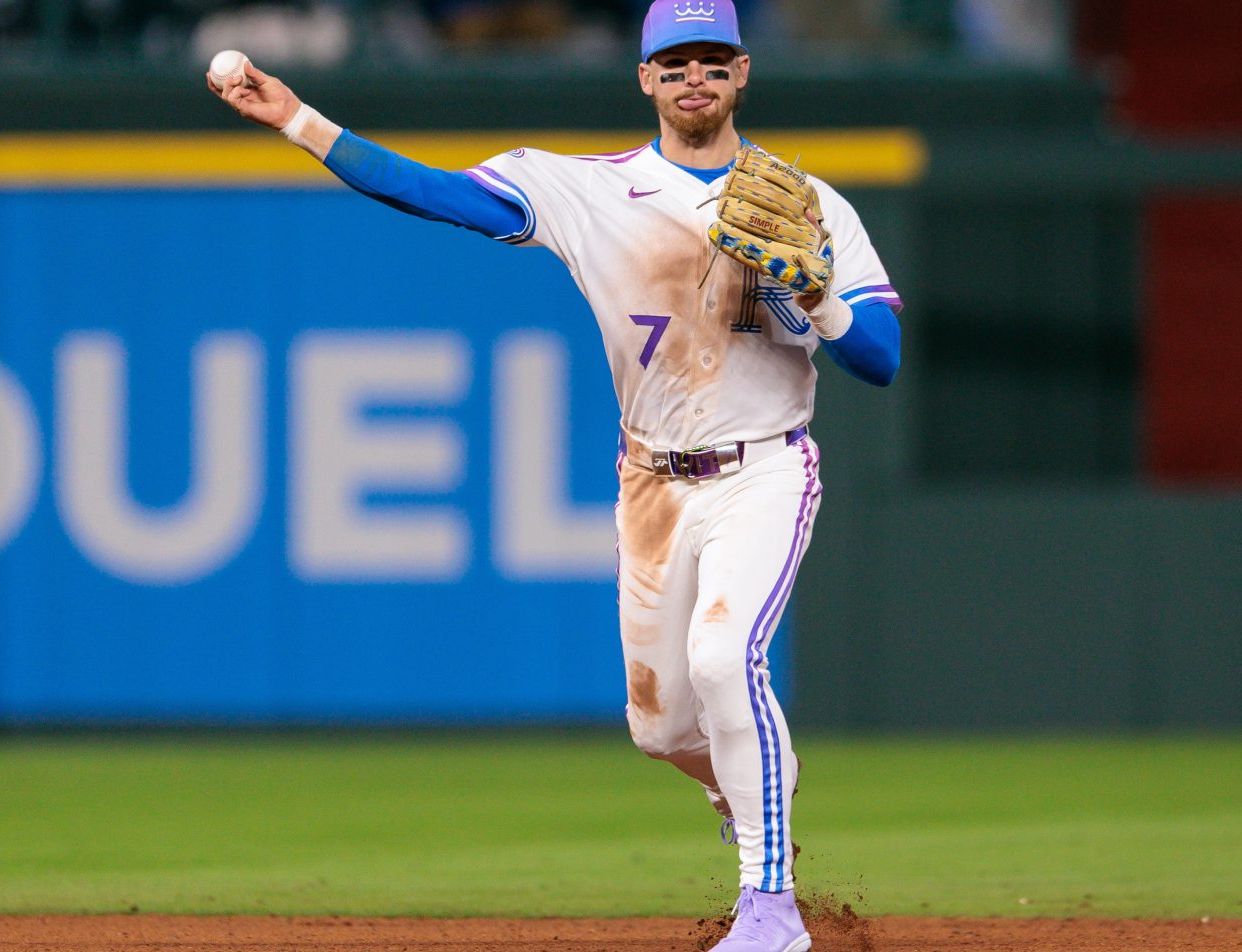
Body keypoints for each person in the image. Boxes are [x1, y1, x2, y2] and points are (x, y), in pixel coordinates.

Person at [209, 2, 901, 947]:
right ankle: (748, 793)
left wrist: (815, 292)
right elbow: (437, 195)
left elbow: (882, 357)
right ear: (646, 80)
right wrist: (300, 121)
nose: (692, 76)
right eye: (673, 62)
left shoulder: (812, 203)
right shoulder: (583, 189)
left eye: (710, 60)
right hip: (654, 482)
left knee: (724, 659)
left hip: (763, 468)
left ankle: (772, 911)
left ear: (742, 73)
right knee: (660, 730)